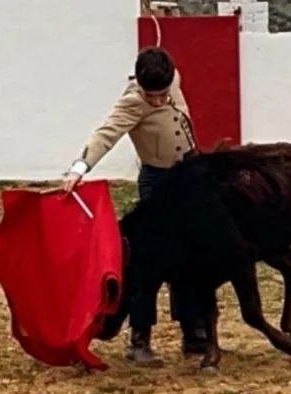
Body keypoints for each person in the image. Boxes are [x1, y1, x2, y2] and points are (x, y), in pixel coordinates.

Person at [61, 46, 209, 367]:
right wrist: (79, 168)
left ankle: (194, 332)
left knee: (193, 254)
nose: (157, 101)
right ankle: (139, 339)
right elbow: (105, 134)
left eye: (162, 95)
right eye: (151, 96)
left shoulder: (173, 78)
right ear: (141, 87)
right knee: (148, 262)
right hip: (157, 184)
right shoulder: (133, 101)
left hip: (189, 178)